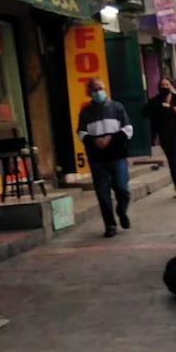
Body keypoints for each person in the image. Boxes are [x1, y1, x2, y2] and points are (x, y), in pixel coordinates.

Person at [76, 78, 133, 237]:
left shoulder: (117, 107)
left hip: (117, 155)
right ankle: (110, 225)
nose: (98, 92)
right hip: (97, 158)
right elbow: (81, 133)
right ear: (89, 92)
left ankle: (122, 211)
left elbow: (128, 129)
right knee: (102, 193)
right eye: (95, 89)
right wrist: (93, 140)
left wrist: (111, 138)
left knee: (122, 188)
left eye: (100, 88)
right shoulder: (85, 112)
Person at [144, 77, 176, 198]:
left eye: (167, 85)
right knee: (172, 161)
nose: (164, 87)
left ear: (171, 86)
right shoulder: (156, 101)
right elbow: (145, 112)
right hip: (164, 136)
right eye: (162, 85)